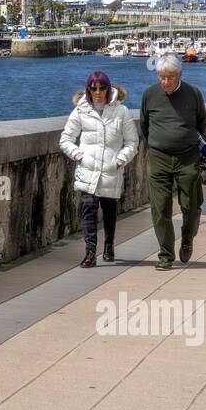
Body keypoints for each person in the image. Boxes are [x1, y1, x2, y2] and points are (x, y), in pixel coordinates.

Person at [59, 70, 139, 268]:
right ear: (88, 89)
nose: (97, 92)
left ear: (108, 88)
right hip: (88, 170)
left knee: (109, 211)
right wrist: (79, 155)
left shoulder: (122, 112)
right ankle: (90, 253)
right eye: (93, 88)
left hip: (111, 170)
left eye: (102, 87)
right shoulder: (81, 110)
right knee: (88, 210)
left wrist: (120, 160)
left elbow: (132, 142)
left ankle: (109, 245)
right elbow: (66, 139)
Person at [139, 53, 206, 270]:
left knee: (192, 206)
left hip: (187, 158)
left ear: (180, 75)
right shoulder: (150, 95)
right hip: (159, 158)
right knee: (160, 208)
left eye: (169, 77)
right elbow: (144, 125)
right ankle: (165, 255)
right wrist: (158, 144)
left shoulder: (193, 94)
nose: (165, 81)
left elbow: (201, 124)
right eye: (161, 76)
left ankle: (187, 239)